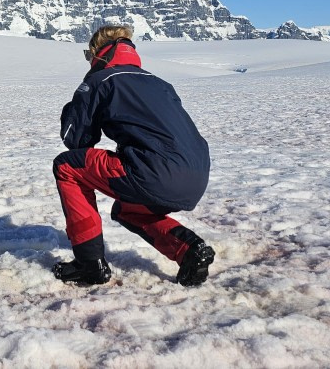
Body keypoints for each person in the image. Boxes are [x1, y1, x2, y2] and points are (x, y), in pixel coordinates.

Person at [52, 24, 215, 287]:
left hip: (154, 172)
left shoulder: (101, 80)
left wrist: (75, 105)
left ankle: (89, 264)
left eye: (88, 55)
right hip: (196, 176)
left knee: (66, 167)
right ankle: (189, 250)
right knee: (127, 209)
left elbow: (77, 141)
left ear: (99, 53)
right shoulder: (160, 83)